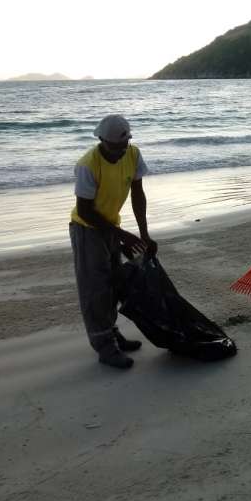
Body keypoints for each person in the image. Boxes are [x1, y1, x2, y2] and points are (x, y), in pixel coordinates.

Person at [69, 114, 156, 369]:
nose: (119, 152)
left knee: (114, 282)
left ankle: (111, 332)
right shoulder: (87, 165)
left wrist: (144, 235)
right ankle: (104, 346)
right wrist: (121, 236)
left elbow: (138, 194)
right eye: (113, 147)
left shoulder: (133, 154)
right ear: (101, 141)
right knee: (95, 289)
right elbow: (85, 211)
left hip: (111, 227)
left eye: (123, 145)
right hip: (87, 230)